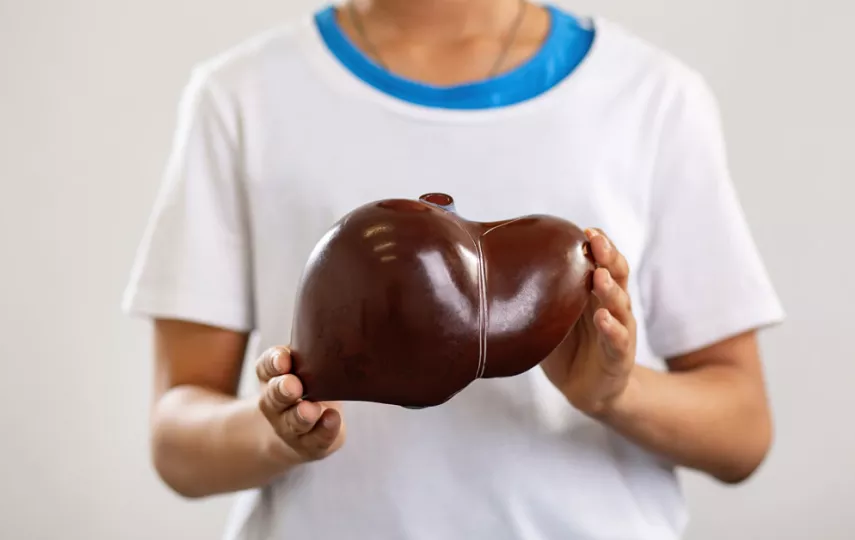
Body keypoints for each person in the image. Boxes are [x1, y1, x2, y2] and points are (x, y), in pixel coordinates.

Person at [122, 1, 785, 538]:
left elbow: (743, 432)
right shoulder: (243, 97)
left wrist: (615, 393)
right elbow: (177, 439)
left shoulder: (651, 98)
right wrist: (276, 434)